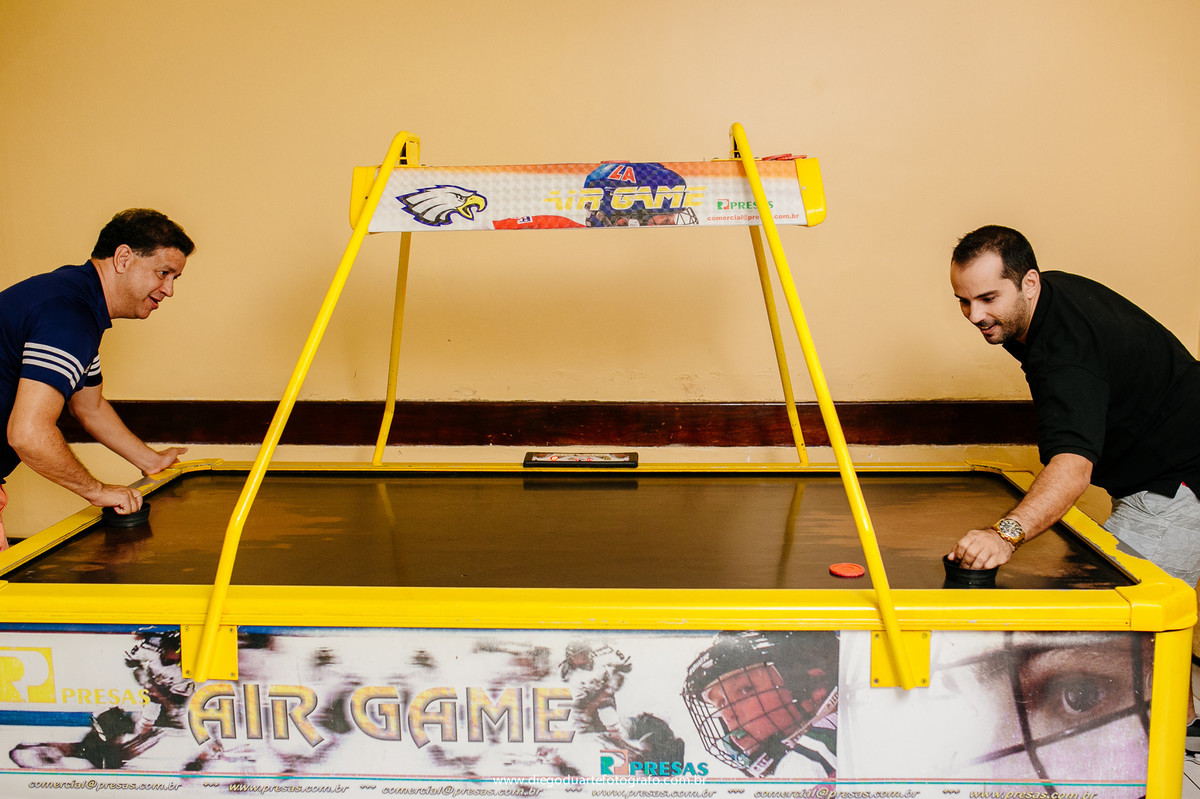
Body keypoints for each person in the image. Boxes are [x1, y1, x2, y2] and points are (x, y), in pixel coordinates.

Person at [946, 225, 1200, 747]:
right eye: (964, 301)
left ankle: (1155, 747)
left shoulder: (1064, 354)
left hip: (1179, 479)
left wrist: (1005, 534)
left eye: (988, 298)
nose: (975, 316)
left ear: (1029, 283)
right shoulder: (1049, 302)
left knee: (1107, 625)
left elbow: (1073, 466)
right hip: (1177, 456)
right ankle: (1184, 718)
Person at [0, 209, 194, 550]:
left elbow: (89, 406)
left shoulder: (75, 300)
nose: (169, 290)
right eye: (163, 273)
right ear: (123, 258)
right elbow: (28, 434)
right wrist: (98, 491)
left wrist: (149, 460)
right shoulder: (69, 316)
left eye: (174, 278)